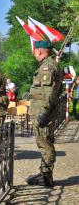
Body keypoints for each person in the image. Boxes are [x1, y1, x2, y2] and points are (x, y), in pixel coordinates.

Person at [26, 41, 62, 187]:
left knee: (45, 144)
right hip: (43, 110)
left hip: (44, 112)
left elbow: (49, 93)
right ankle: (44, 174)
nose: (33, 53)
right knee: (44, 142)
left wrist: (44, 112)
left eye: (34, 51)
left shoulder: (47, 67)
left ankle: (46, 177)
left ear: (39, 51)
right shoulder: (48, 65)